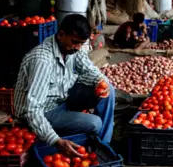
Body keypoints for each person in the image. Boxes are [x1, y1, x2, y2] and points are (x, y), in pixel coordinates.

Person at [14, 14, 115, 154]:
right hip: (45, 112)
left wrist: (100, 81)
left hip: (63, 100)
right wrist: (56, 140)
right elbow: (33, 110)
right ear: (61, 35)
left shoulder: (72, 49)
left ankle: (102, 146)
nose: (78, 47)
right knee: (95, 123)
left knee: (107, 88)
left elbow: (91, 70)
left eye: (81, 43)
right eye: (75, 42)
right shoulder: (42, 61)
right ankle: (92, 145)